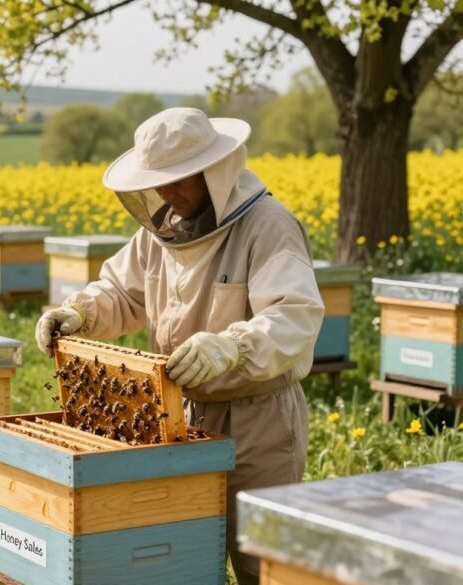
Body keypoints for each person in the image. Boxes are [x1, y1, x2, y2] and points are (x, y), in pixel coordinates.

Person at [35, 107, 323, 585]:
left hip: (256, 419)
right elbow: (123, 293)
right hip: (176, 415)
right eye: (159, 182)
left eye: (179, 180)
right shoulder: (161, 231)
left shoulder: (267, 227)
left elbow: (296, 316)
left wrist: (230, 347)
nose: (166, 194)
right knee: (180, 557)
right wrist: (81, 312)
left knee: (263, 564)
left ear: (216, 170)